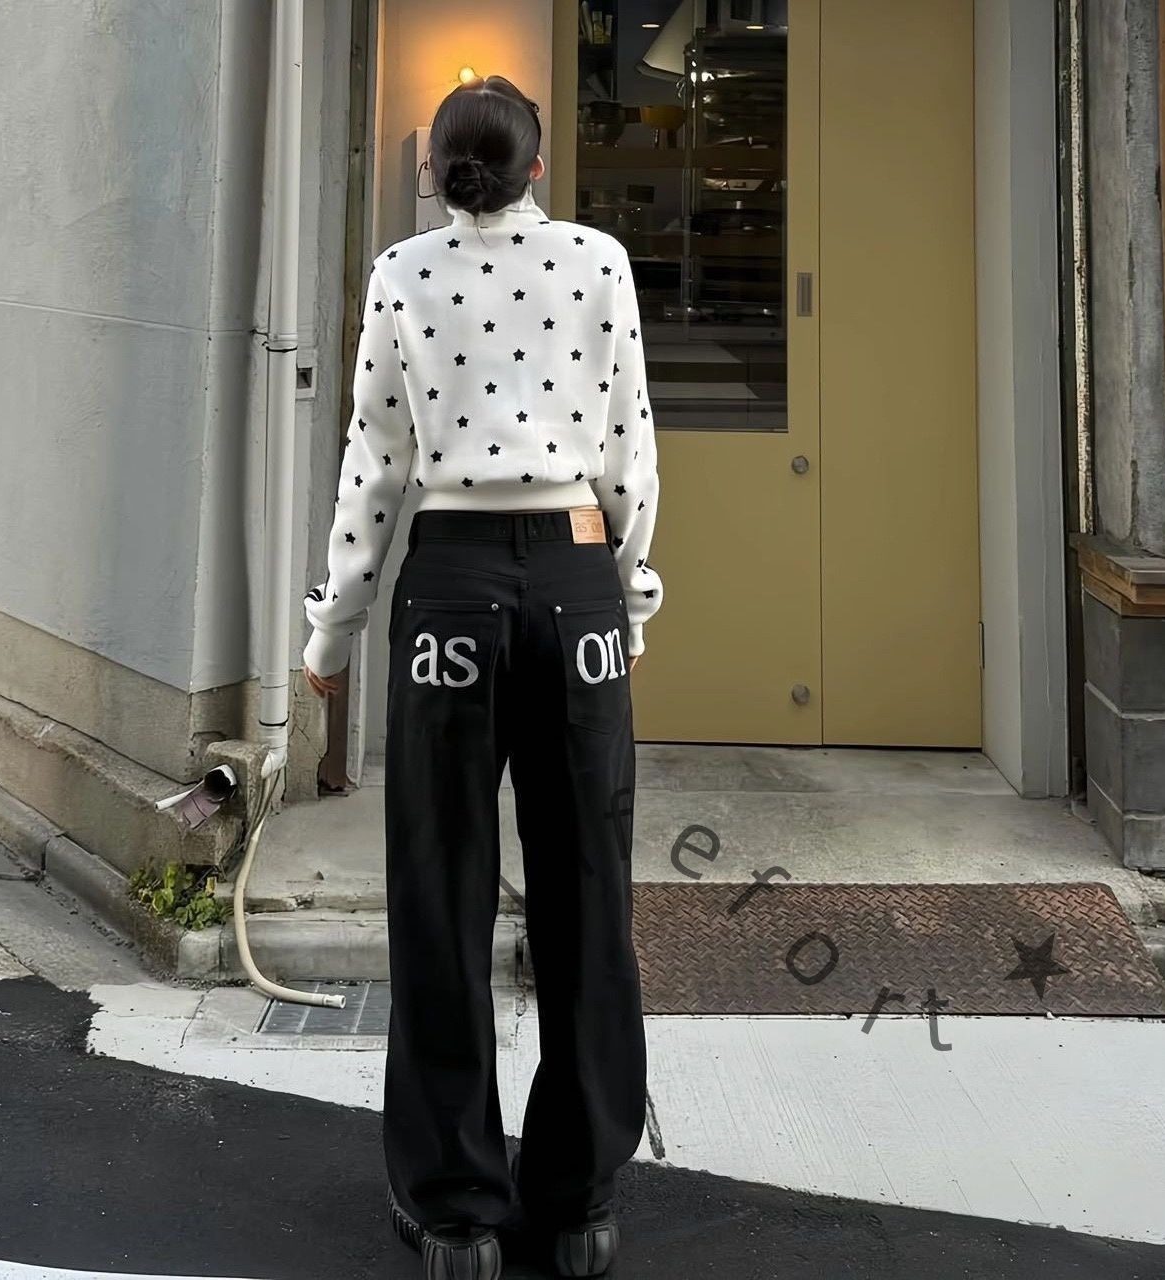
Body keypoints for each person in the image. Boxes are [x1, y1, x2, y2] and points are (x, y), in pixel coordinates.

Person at [301, 73, 662, 1280]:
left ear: (436, 173)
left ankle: (454, 1208)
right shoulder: (599, 262)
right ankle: (578, 1201)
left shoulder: (402, 273)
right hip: (574, 576)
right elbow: (628, 446)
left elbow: (375, 459)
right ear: (536, 168)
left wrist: (333, 630)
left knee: (440, 885)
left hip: (448, 582)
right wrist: (630, 594)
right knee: (587, 887)